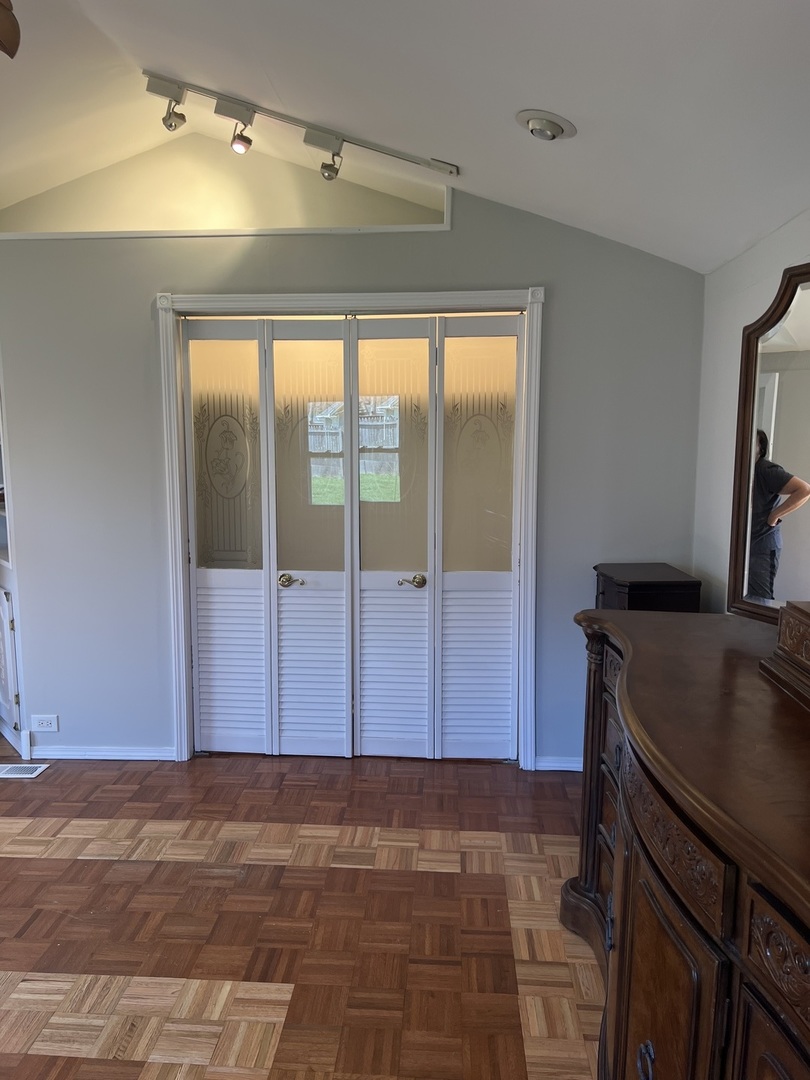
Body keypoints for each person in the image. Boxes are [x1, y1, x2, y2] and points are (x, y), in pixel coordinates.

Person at [747, 429, 810, 600]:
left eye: (752, 442)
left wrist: (774, 515)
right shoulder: (742, 472)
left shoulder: (766, 469)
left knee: (760, 599)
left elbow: (804, 490)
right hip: (748, 545)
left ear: (761, 448)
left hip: (763, 545)